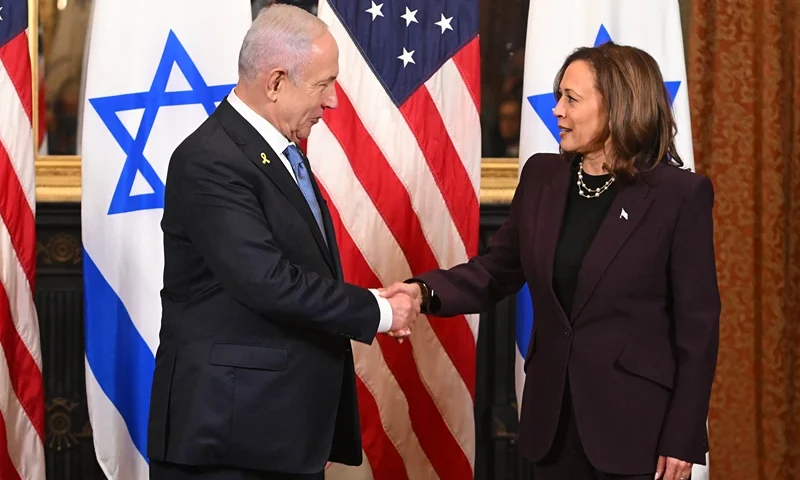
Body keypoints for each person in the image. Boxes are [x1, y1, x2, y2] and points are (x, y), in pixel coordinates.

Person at [383, 42, 721, 480]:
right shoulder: (544, 176)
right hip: (553, 424)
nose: (557, 110)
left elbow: (698, 327)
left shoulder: (679, 196)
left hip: (638, 431)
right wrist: (422, 292)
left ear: (618, 104)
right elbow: (495, 270)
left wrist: (684, 433)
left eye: (571, 99)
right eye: (558, 95)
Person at [146, 4, 418, 479]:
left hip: (274, 433)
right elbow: (267, 282)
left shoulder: (276, 151)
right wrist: (378, 309)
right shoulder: (210, 160)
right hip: (227, 442)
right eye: (323, 84)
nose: (333, 101)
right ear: (275, 83)